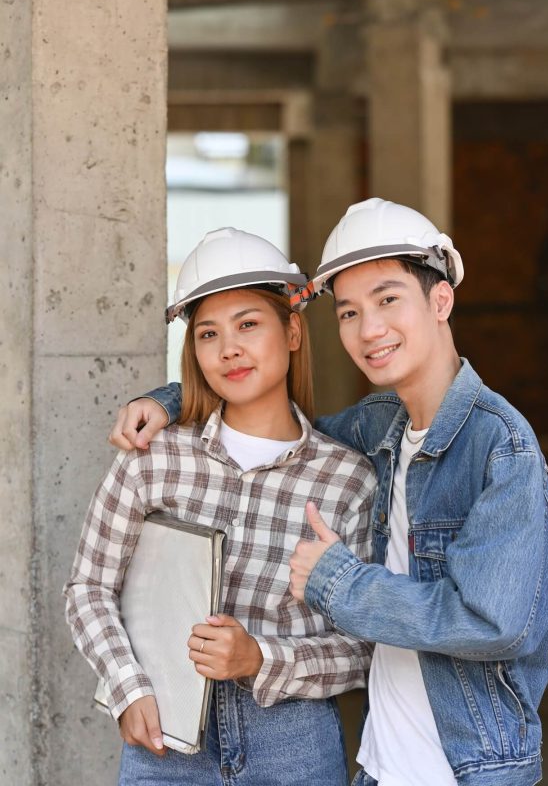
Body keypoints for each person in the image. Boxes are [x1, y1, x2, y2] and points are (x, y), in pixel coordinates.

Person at [108, 200, 548, 786]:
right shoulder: (378, 426)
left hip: (470, 772)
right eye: (349, 312)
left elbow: (492, 624)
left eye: (387, 300)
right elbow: (265, 416)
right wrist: (170, 400)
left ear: (441, 300)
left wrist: (338, 582)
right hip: (381, 767)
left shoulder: (500, 447)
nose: (369, 329)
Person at [64, 227, 376, 786]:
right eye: (209, 333)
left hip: (293, 744)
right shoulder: (154, 457)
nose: (229, 348)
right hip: (167, 737)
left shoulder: (347, 481)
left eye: (248, 324)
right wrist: (126, 687)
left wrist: (259, 658)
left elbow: (364, 647)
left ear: (293, 331)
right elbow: (88, 587)